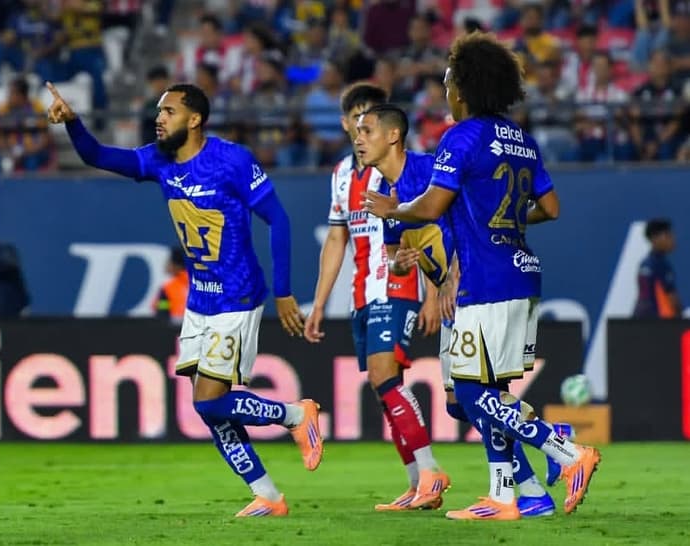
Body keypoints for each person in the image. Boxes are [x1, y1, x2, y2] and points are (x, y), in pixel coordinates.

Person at [48, 81, 323, 517]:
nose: (159, 118)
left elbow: (278, 219)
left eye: (169, 111)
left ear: (195, 119)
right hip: (200, 300)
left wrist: (284, 291)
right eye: (159, 111)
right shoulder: (158, 160)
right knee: (209, 410)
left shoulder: (231, 160)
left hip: (237, 294)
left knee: (209, 401)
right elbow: (97, 155)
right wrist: (73, 123)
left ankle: (295, 415)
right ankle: (268, 496)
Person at [362, 32, 601, 520]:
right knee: (486, 392)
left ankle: (566, 451)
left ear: (465, 88)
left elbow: (433, 205)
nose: (446, 93)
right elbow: (550, 207)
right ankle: (509, 495)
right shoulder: (522, 139)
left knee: (471, 393)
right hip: (521, 274)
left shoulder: (461, 137)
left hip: (484, 280)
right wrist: (505, 222)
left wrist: (394, 210)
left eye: (449, 83)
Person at [304, 83, 448, 511]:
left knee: (385, 377)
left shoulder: (397, 168)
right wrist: (318, 302)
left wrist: (432, 293)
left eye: (370, 121)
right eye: (357, 120)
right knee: (384, 386)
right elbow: (337, 239)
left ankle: (431, 472)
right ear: (346, 123)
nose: (362, 129)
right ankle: (416, 483)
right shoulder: (341, 174)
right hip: (362, 291)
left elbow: (428, 230)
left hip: (397, 284)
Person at [634, 218, 682, 318]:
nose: (672, 240)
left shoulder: (644, 263)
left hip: (640, 318)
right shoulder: (661, 265)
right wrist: (681, 319)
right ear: (654, 238)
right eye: (668, 236)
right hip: (657, 321)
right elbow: (672, 298)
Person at [153, 247, 189, 325]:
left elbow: (161, 312)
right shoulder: (202, 282)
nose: (167, 265)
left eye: (169, 262)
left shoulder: (168, 287)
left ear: (177, 265)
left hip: (175, 329)